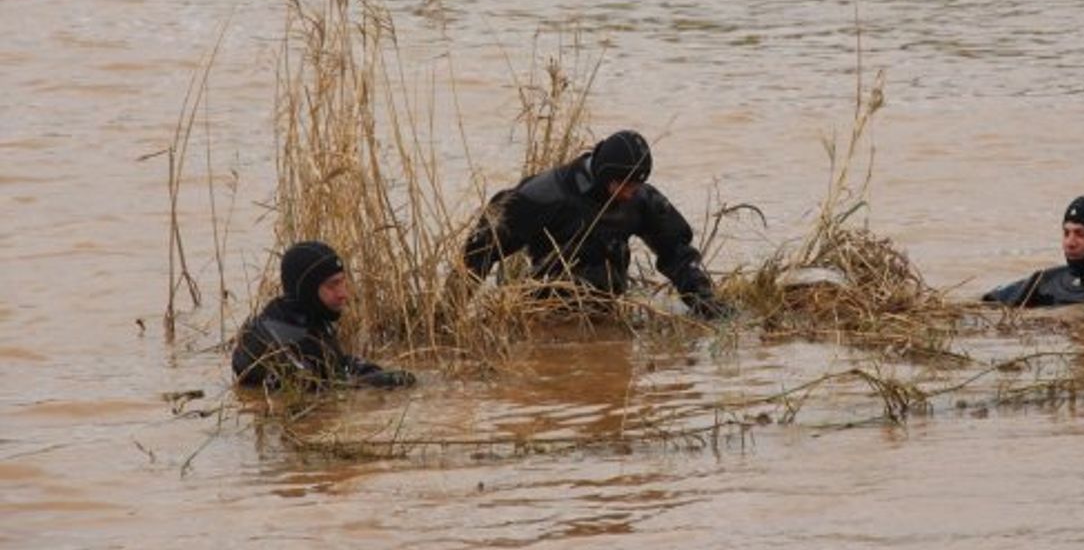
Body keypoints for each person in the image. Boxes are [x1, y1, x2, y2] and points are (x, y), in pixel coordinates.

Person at [459, 130, 733, 320]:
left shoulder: (641, 199)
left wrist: (705, 301)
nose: (630, 193)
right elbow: (479, 251)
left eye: (636, 185)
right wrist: (450, 310)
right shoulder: (545, 195)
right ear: (604, 176)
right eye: (624, 185)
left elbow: (677, 252)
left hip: (606, 310)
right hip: (545, 313)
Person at [232, 241, 416, 389]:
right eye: (332, 285)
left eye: (343, 282)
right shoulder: (279, 341)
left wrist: (371, 372)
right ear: (307, 291)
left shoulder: (307, 319)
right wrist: (379, 382)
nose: (343, 294)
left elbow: (336, 366)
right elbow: (323, 391)